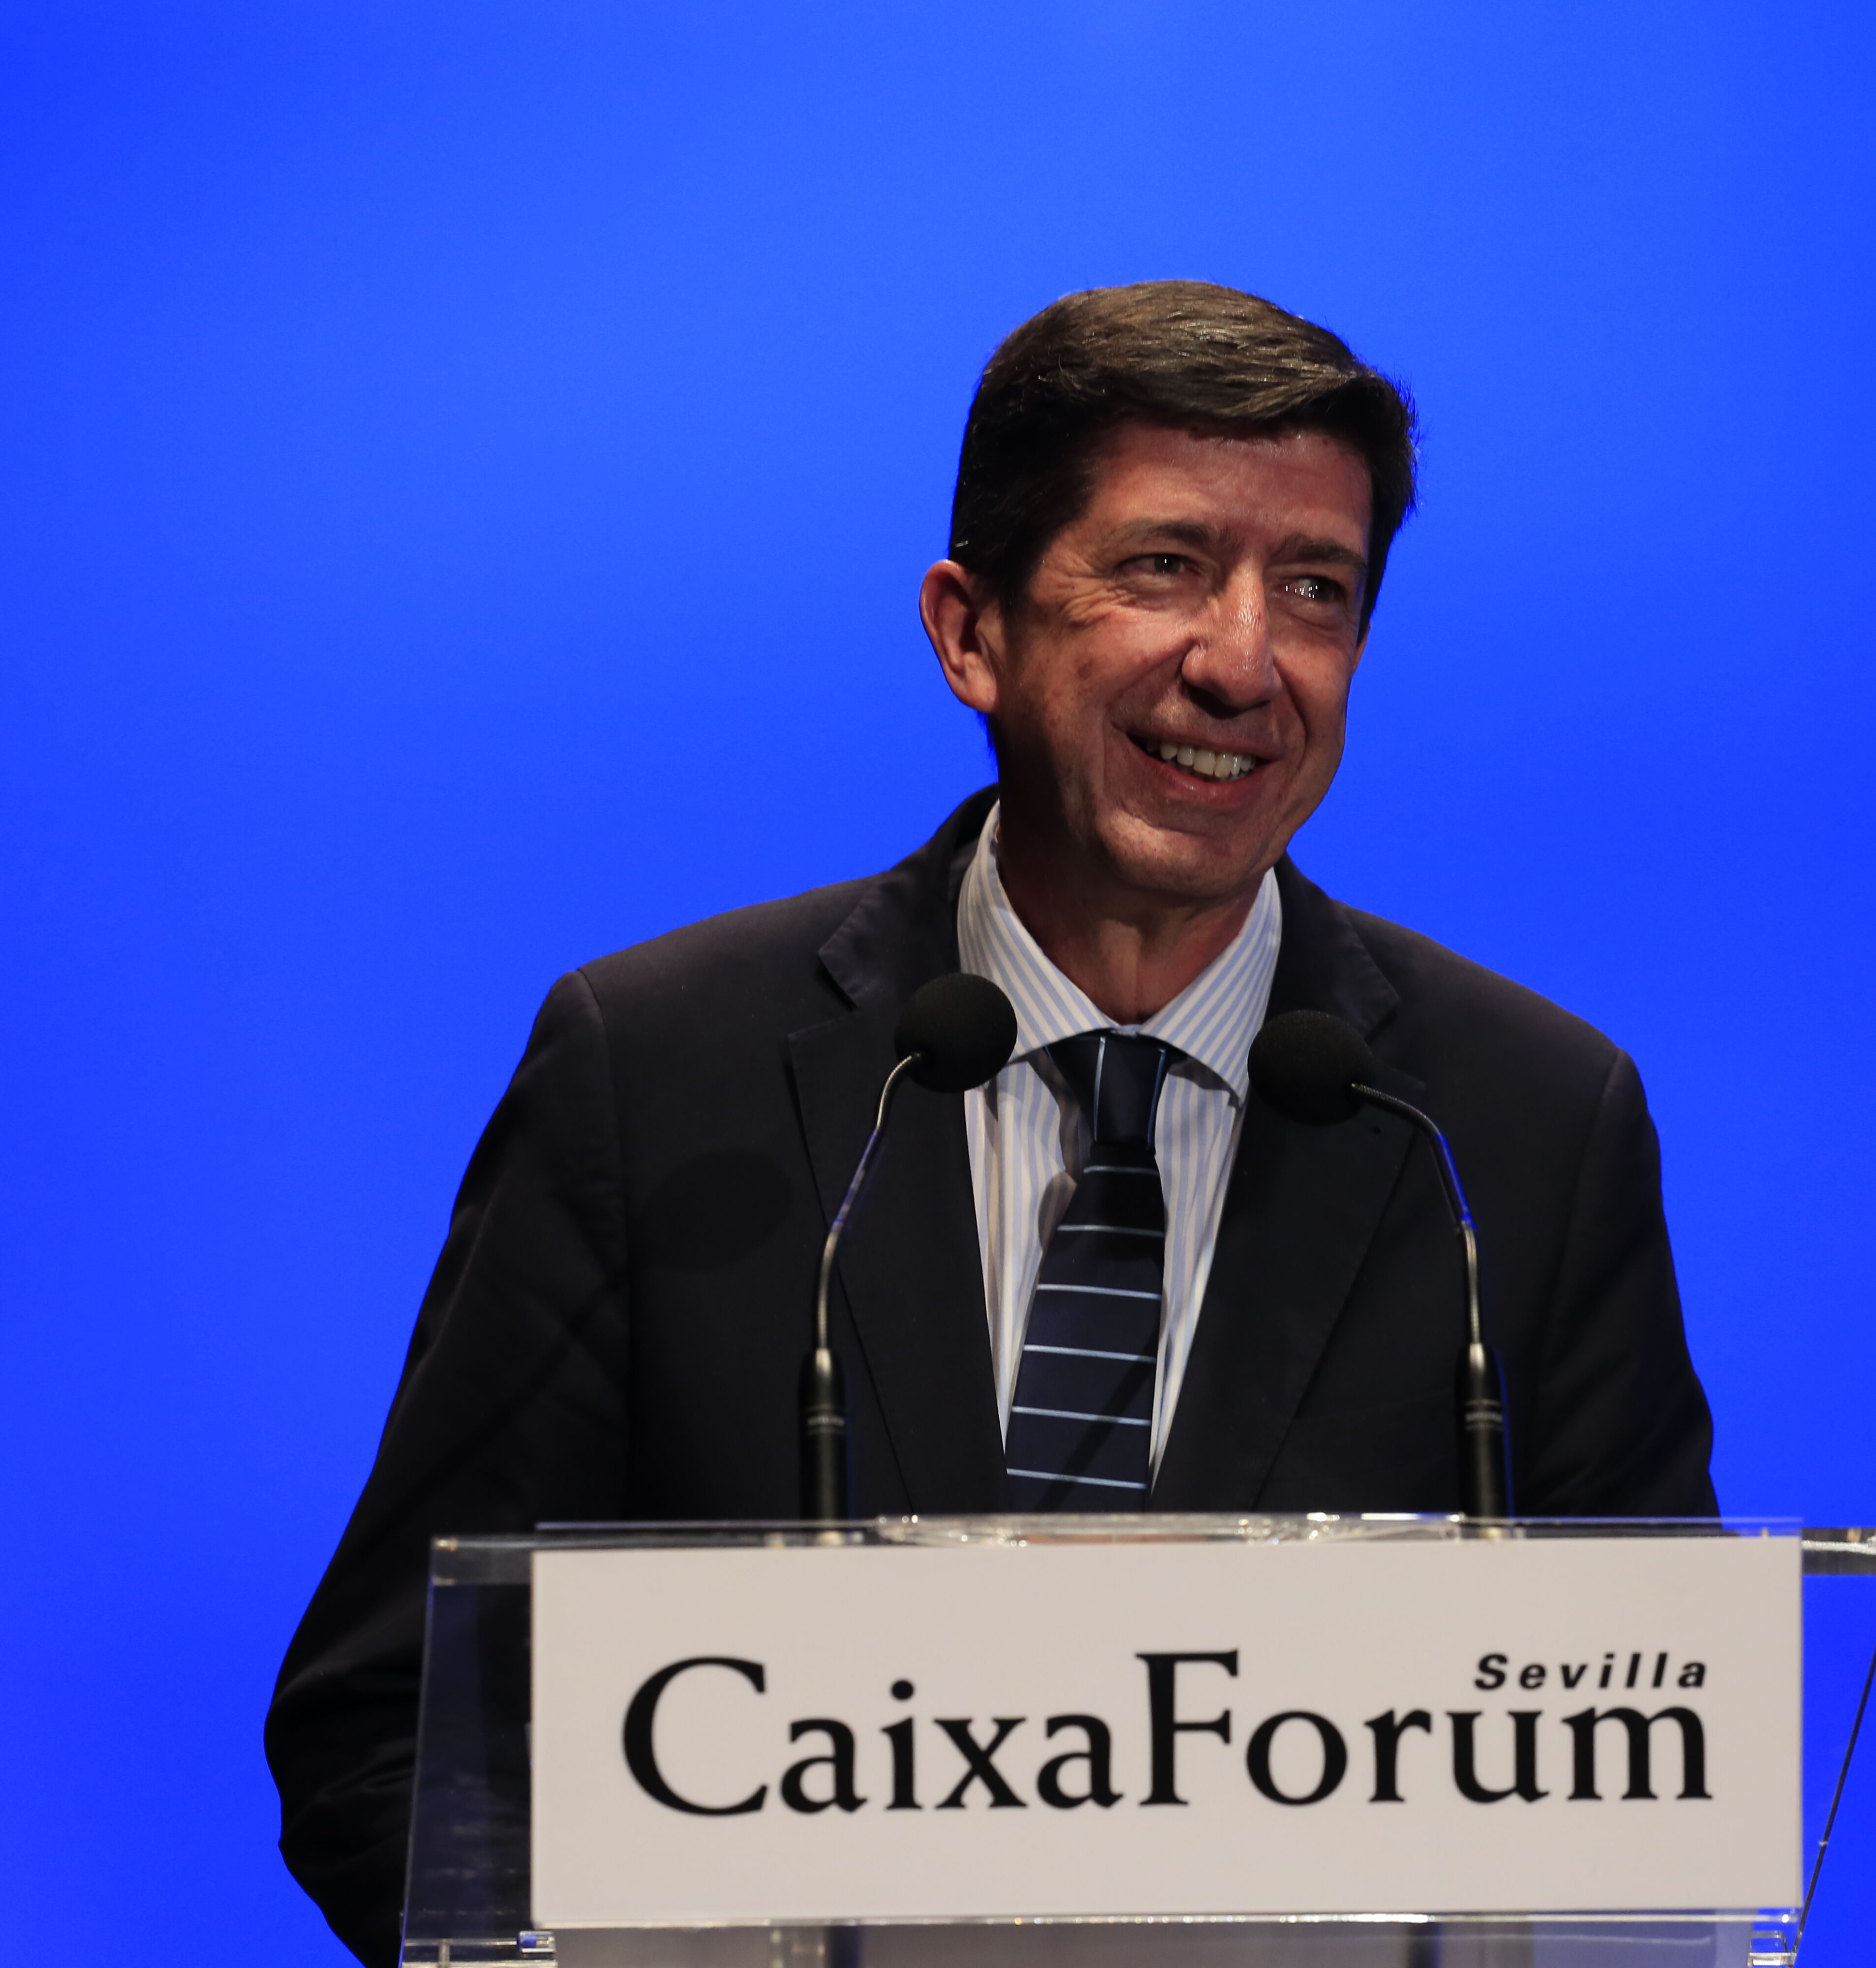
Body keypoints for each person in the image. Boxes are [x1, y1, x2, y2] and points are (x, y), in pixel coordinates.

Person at [266, 280, 1716, 1963]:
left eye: (1315, 590)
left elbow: (1653, 1781)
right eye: (1165, 566)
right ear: (973, 633)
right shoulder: (658, 1076)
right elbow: (398, 1732)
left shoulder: (1520, 1126)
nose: (1244, 662)